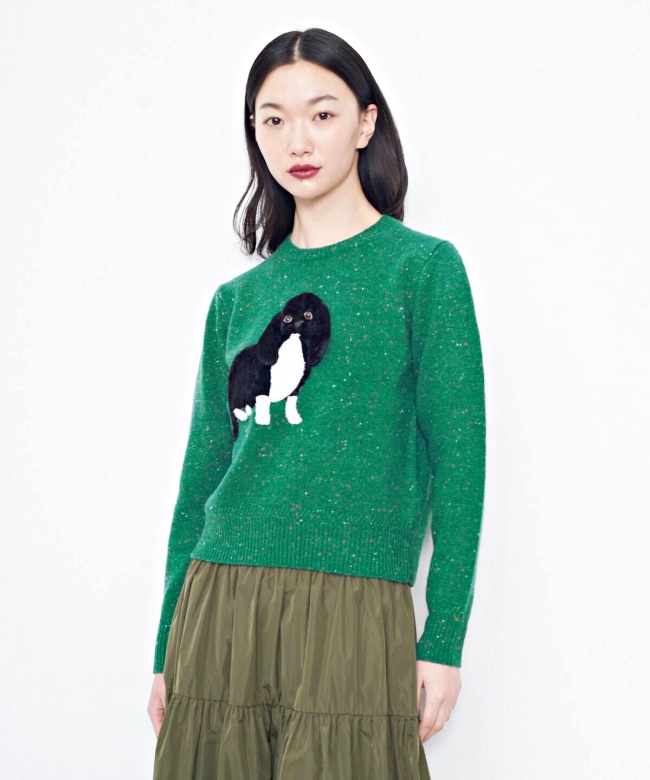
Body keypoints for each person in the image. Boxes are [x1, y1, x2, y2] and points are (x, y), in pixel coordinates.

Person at [147, 26, 486, 779]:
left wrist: (444, 639)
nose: (296, 140)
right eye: (273, 119)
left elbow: (460, 464)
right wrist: (168, 646)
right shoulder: (236, 300)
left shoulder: (423, 271)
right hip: (221, 602)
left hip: (356, 607)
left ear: (366, 123)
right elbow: (201, 480)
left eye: (322, 114)